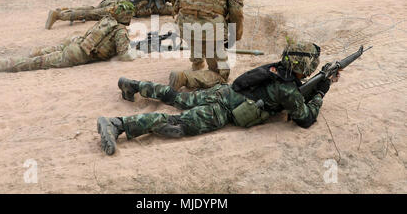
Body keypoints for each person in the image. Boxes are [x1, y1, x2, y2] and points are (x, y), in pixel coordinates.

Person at [97, 41, 338, 155]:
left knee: (177, 98)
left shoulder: (277, 68)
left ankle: (135, 85)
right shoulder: (288, 89)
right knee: (178, 125)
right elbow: (305, 119)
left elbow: (290, 89)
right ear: (304, 65)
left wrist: (316, 82)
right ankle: (118, 124)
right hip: (221, 111)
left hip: (222, 92)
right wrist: (320, 93)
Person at [0, 4, 138, 73]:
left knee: (42, 55)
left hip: (76, 43)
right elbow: (124, 56)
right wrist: (135, 54)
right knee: (34, 64)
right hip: (76, 54)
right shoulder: (120, 31)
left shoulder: (107, 20)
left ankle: (38, 52)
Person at [169, 0, 244, 91]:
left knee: (195, 28)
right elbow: (236, 12)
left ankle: (197, 62)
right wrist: (235, 35)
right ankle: (184, 78)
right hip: (210, 33)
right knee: (221, 75)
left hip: (186, 29)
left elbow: (175, 2)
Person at [45, 0, 174, 29]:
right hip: (120, 8)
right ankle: (59, 16)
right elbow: (174, 10)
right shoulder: (160, 6)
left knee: (92, 8)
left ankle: (63, 10)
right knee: (91, 14)